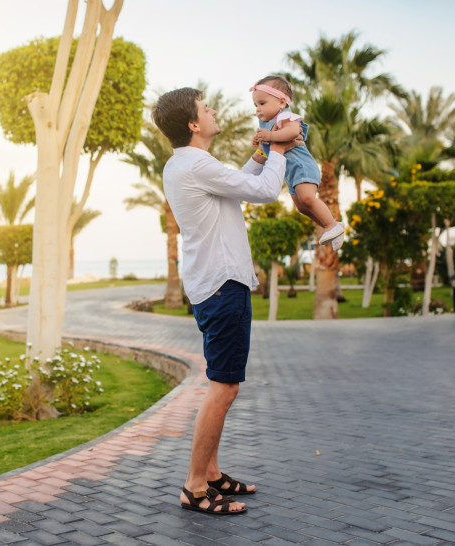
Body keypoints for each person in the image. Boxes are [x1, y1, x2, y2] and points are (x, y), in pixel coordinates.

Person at [152, 87, 294, 516]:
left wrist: (259, 154)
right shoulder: (196, 165)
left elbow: (234, 184)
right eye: (205, 107)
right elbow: (266, 191)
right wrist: (278, 146)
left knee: (223, 382)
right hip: (222, 286)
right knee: (224, 386)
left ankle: (211, 474)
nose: (213, 110)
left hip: (212, 284)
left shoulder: (187, 164)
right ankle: (195, 486)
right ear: (194, 124)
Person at [251, 74, 345, 249]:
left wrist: (270, 136)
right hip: (290, 172)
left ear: (281, 102)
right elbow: (267, 149)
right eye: (255, 105)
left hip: (302, 167)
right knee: (301, 207)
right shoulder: (266, 122)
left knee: (308, 198)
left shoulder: (285, 117)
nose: (258, 109)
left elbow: (293, 132)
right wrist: (260, 142)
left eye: (262, 103)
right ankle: (331, 225)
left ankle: (331, 224)